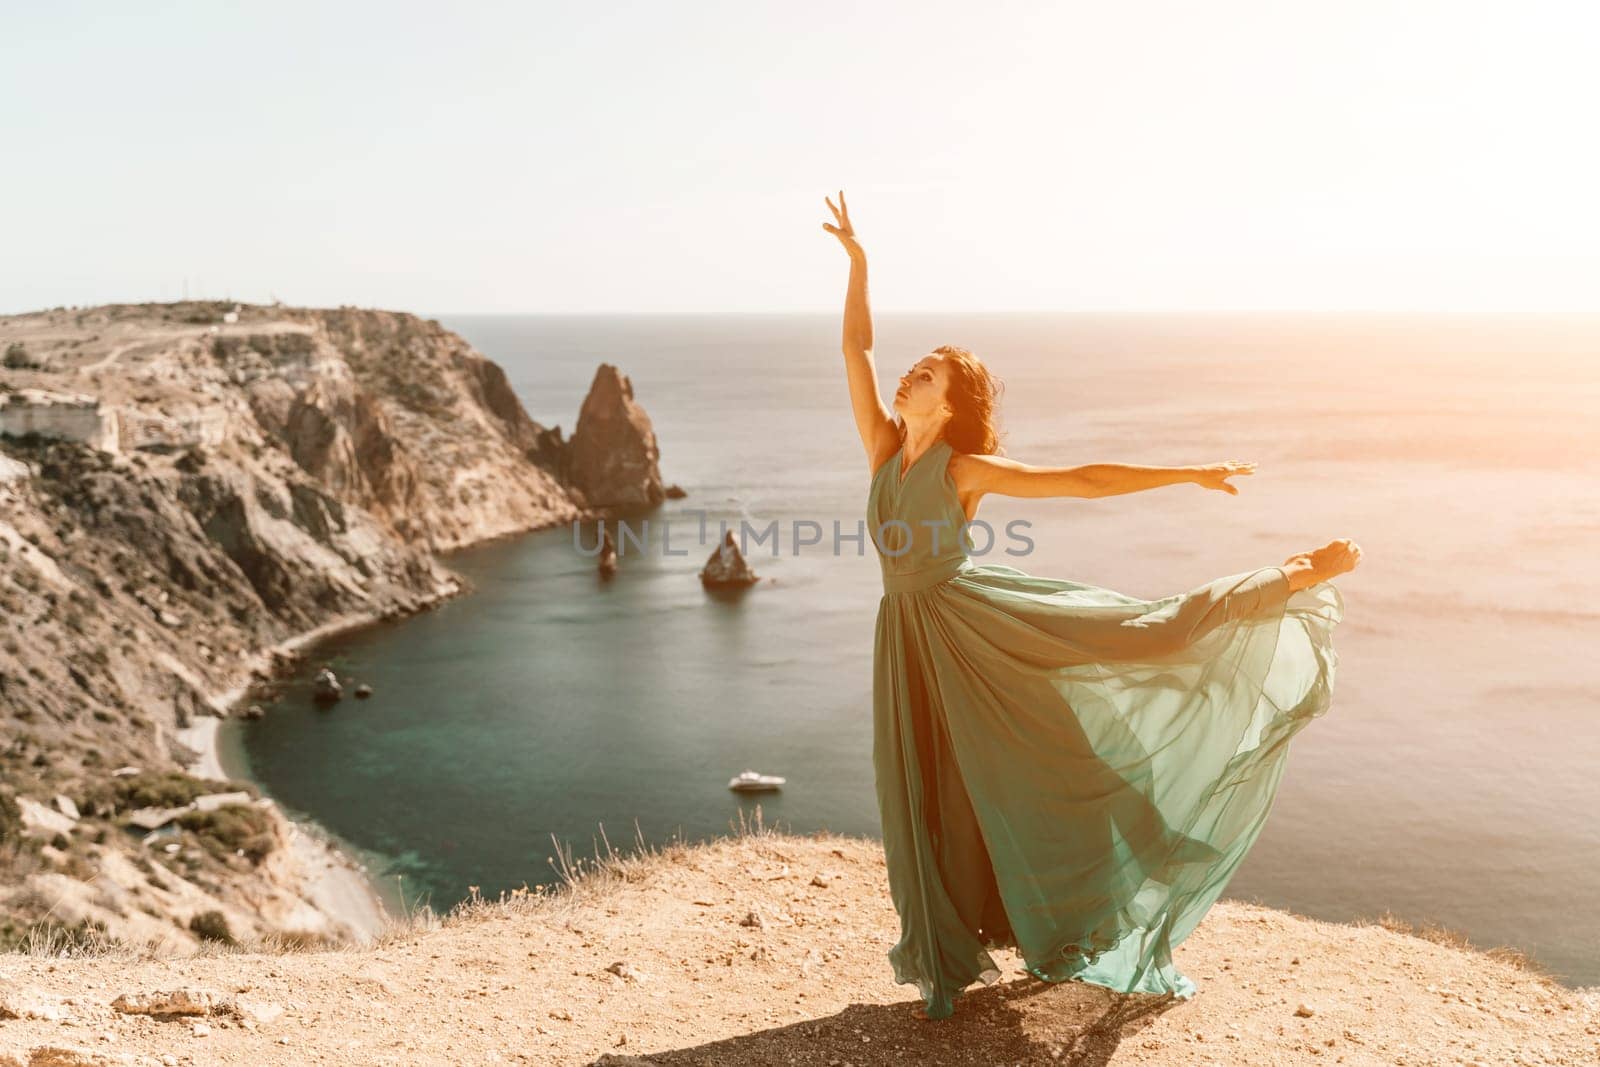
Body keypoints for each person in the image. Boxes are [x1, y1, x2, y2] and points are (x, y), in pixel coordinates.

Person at [821, 190, 1361, 1020]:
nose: (906, 373)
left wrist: (1184, 472)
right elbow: (855, 350)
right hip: (905, 633)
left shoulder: (962, 468)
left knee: (1138, 636)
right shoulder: (885, 450)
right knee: (931, 787)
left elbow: (1082, 481)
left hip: (971, 622)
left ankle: (1284, 577)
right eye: (912, 366)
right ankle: (954, 943)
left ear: (952, 401)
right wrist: (859, 264)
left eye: (924, 371)